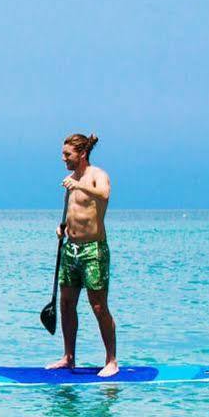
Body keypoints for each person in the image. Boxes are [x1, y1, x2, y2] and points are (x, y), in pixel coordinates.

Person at [47, 132, 117, 378]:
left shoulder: (97, 176)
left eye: (67, 154)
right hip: (70, 250)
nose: (63, 159)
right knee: (66, 304)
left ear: (82, 154)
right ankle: (69, 358)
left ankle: (111, 360)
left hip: (93, 250)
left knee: (98, 306)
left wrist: (79, 185)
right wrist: (63, 228)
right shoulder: (70, 181)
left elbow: (105, 195)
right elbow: (74, 212)